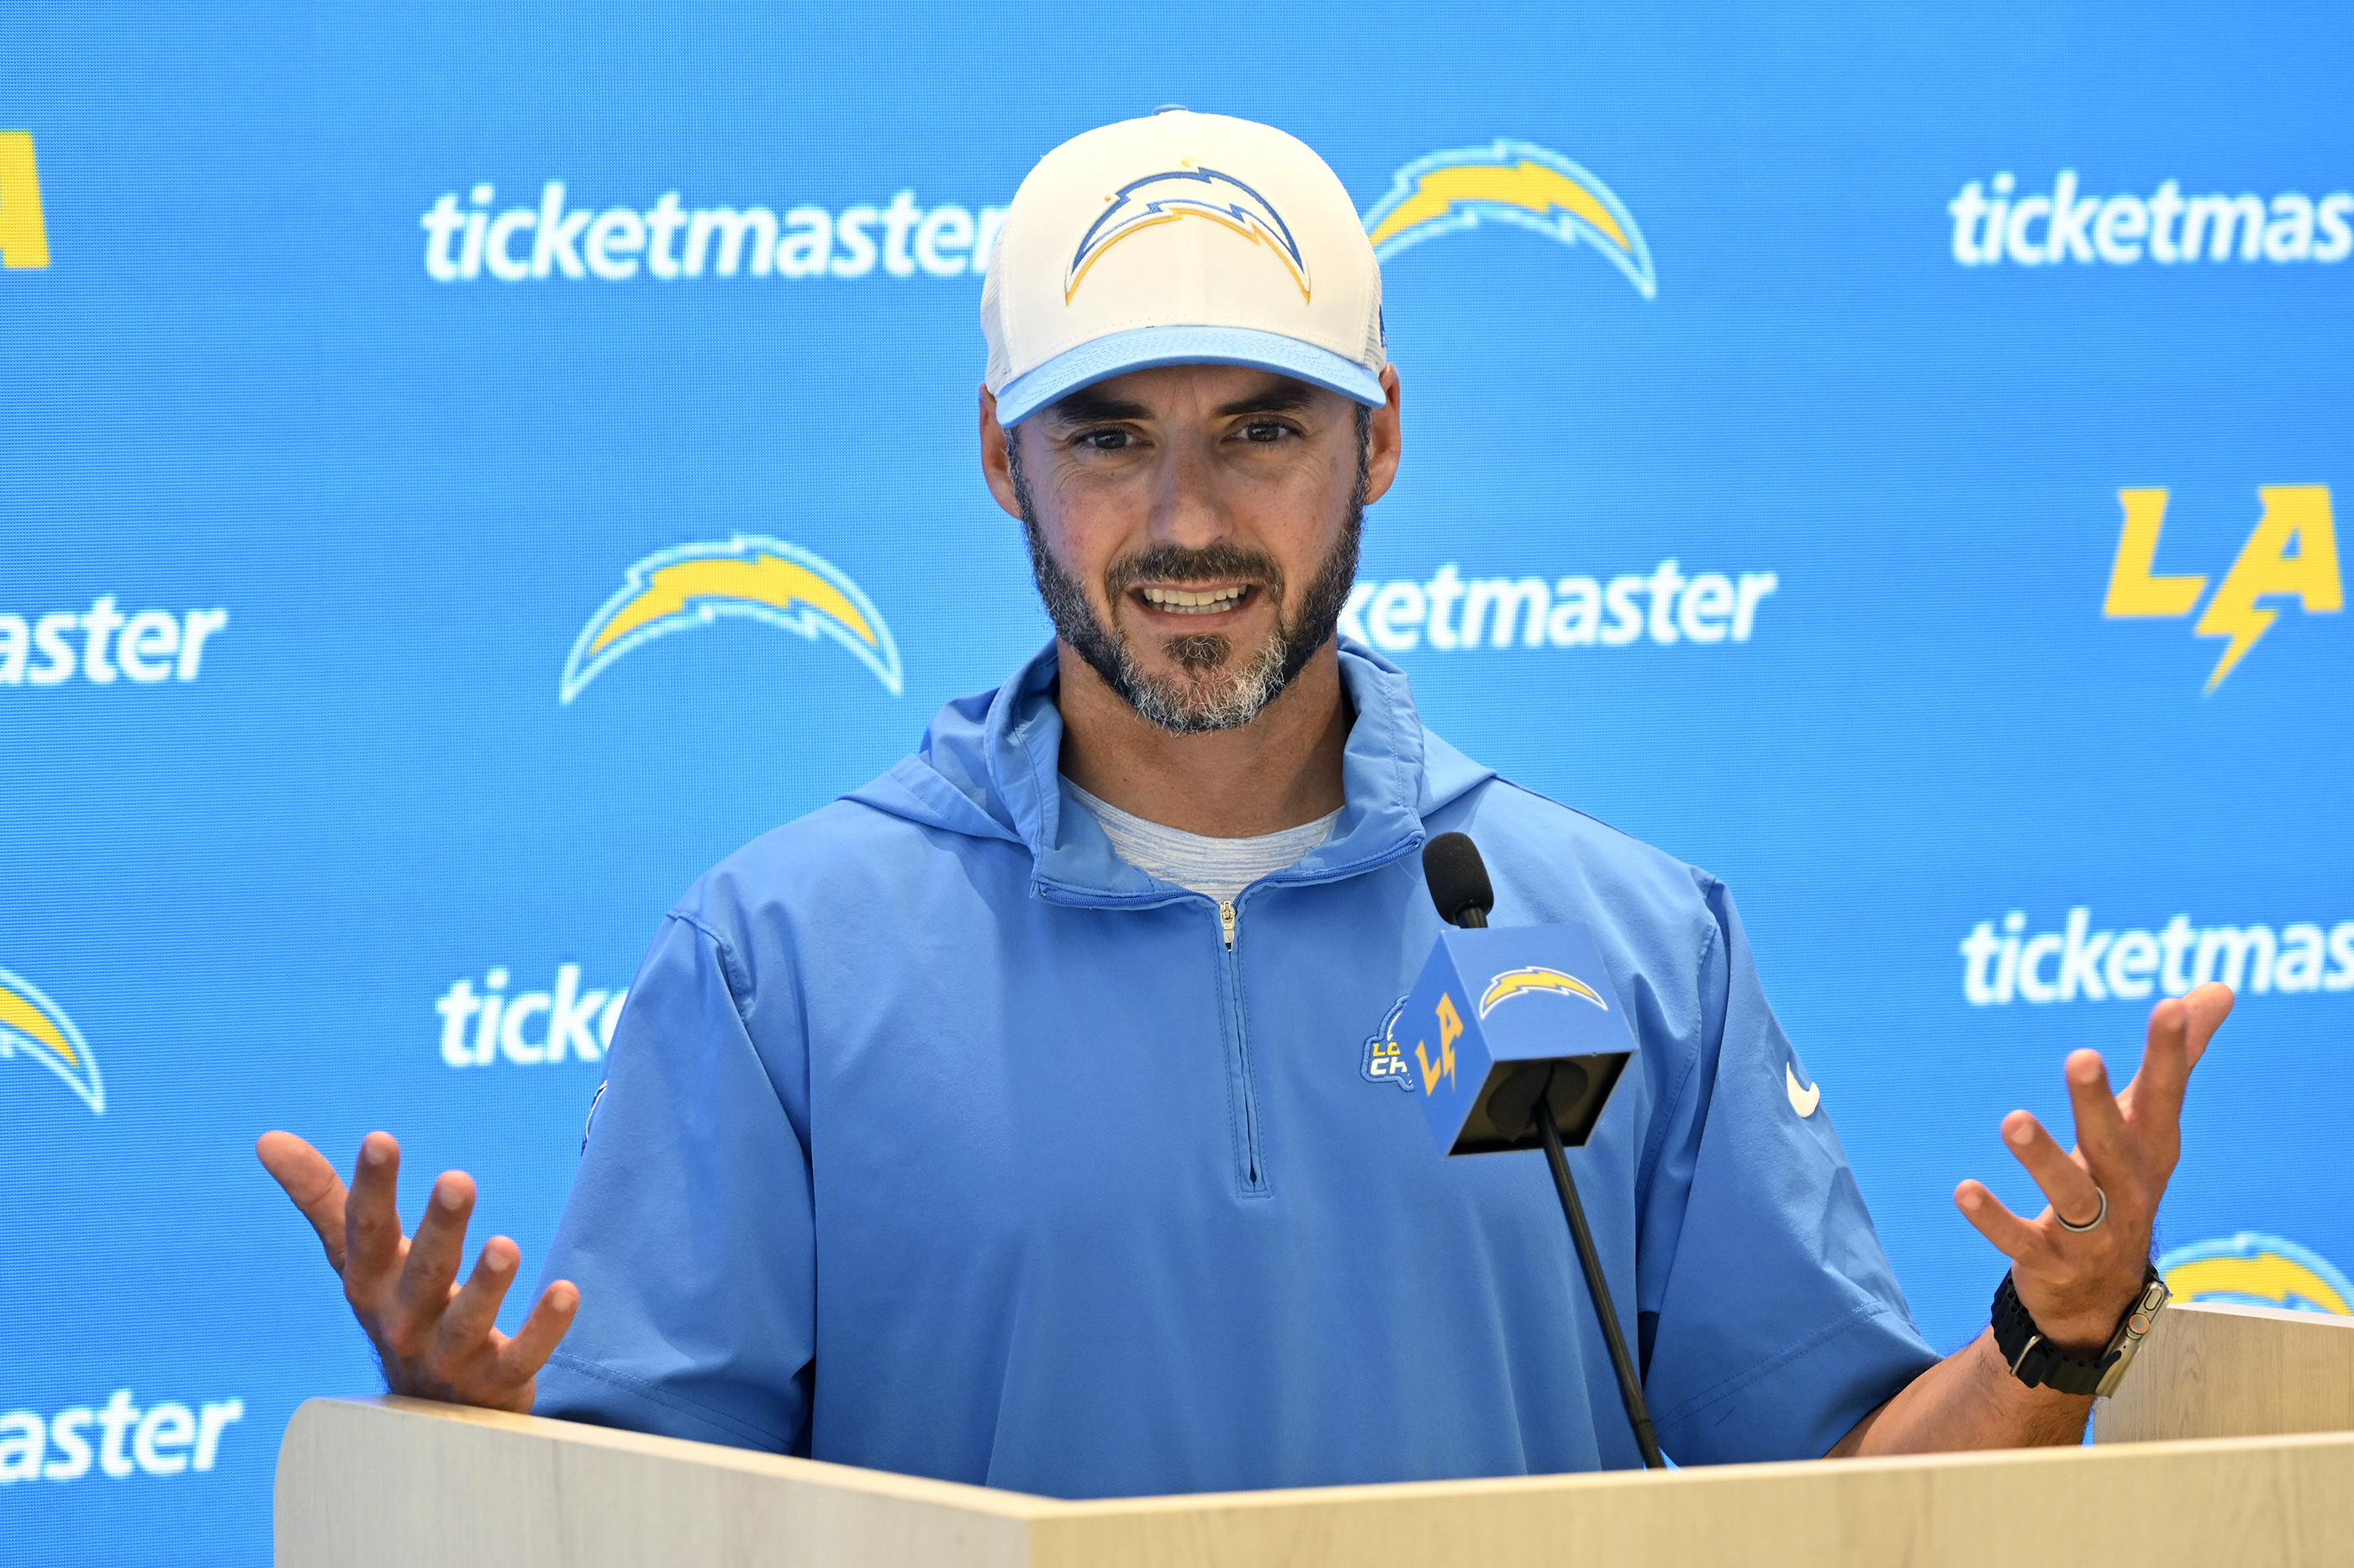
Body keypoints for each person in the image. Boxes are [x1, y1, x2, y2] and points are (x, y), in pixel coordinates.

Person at [259, 109, 2233, 1497]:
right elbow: (635, 1516)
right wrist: (465, 1446)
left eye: (1259, 432)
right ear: (994, 459)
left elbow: (1837, 1500)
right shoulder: (781, 957)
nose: (1185, 521)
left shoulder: (1628, 941)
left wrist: (2049, 1333)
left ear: (1377, 440)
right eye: (1107, 438)